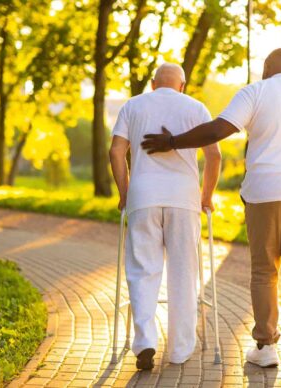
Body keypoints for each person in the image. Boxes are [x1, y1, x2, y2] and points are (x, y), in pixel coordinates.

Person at [140, 48, 281, 375]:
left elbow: (216, 131)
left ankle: (266, 347)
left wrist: (172, 142)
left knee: (264, 269)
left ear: (267, 68)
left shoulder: (256, 91)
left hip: (266, 193)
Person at [109, 63, 221, 370]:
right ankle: (180, 349)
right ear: (182, 85)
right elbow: (214, 156)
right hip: (183, 199)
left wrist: (124, 191)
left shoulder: (133, 105)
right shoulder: (196, 107)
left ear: (154, 83)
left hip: (143, 197)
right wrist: (206, 196)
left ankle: (144, 341)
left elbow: (116, 152)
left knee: (143, 270)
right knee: (184, 273)